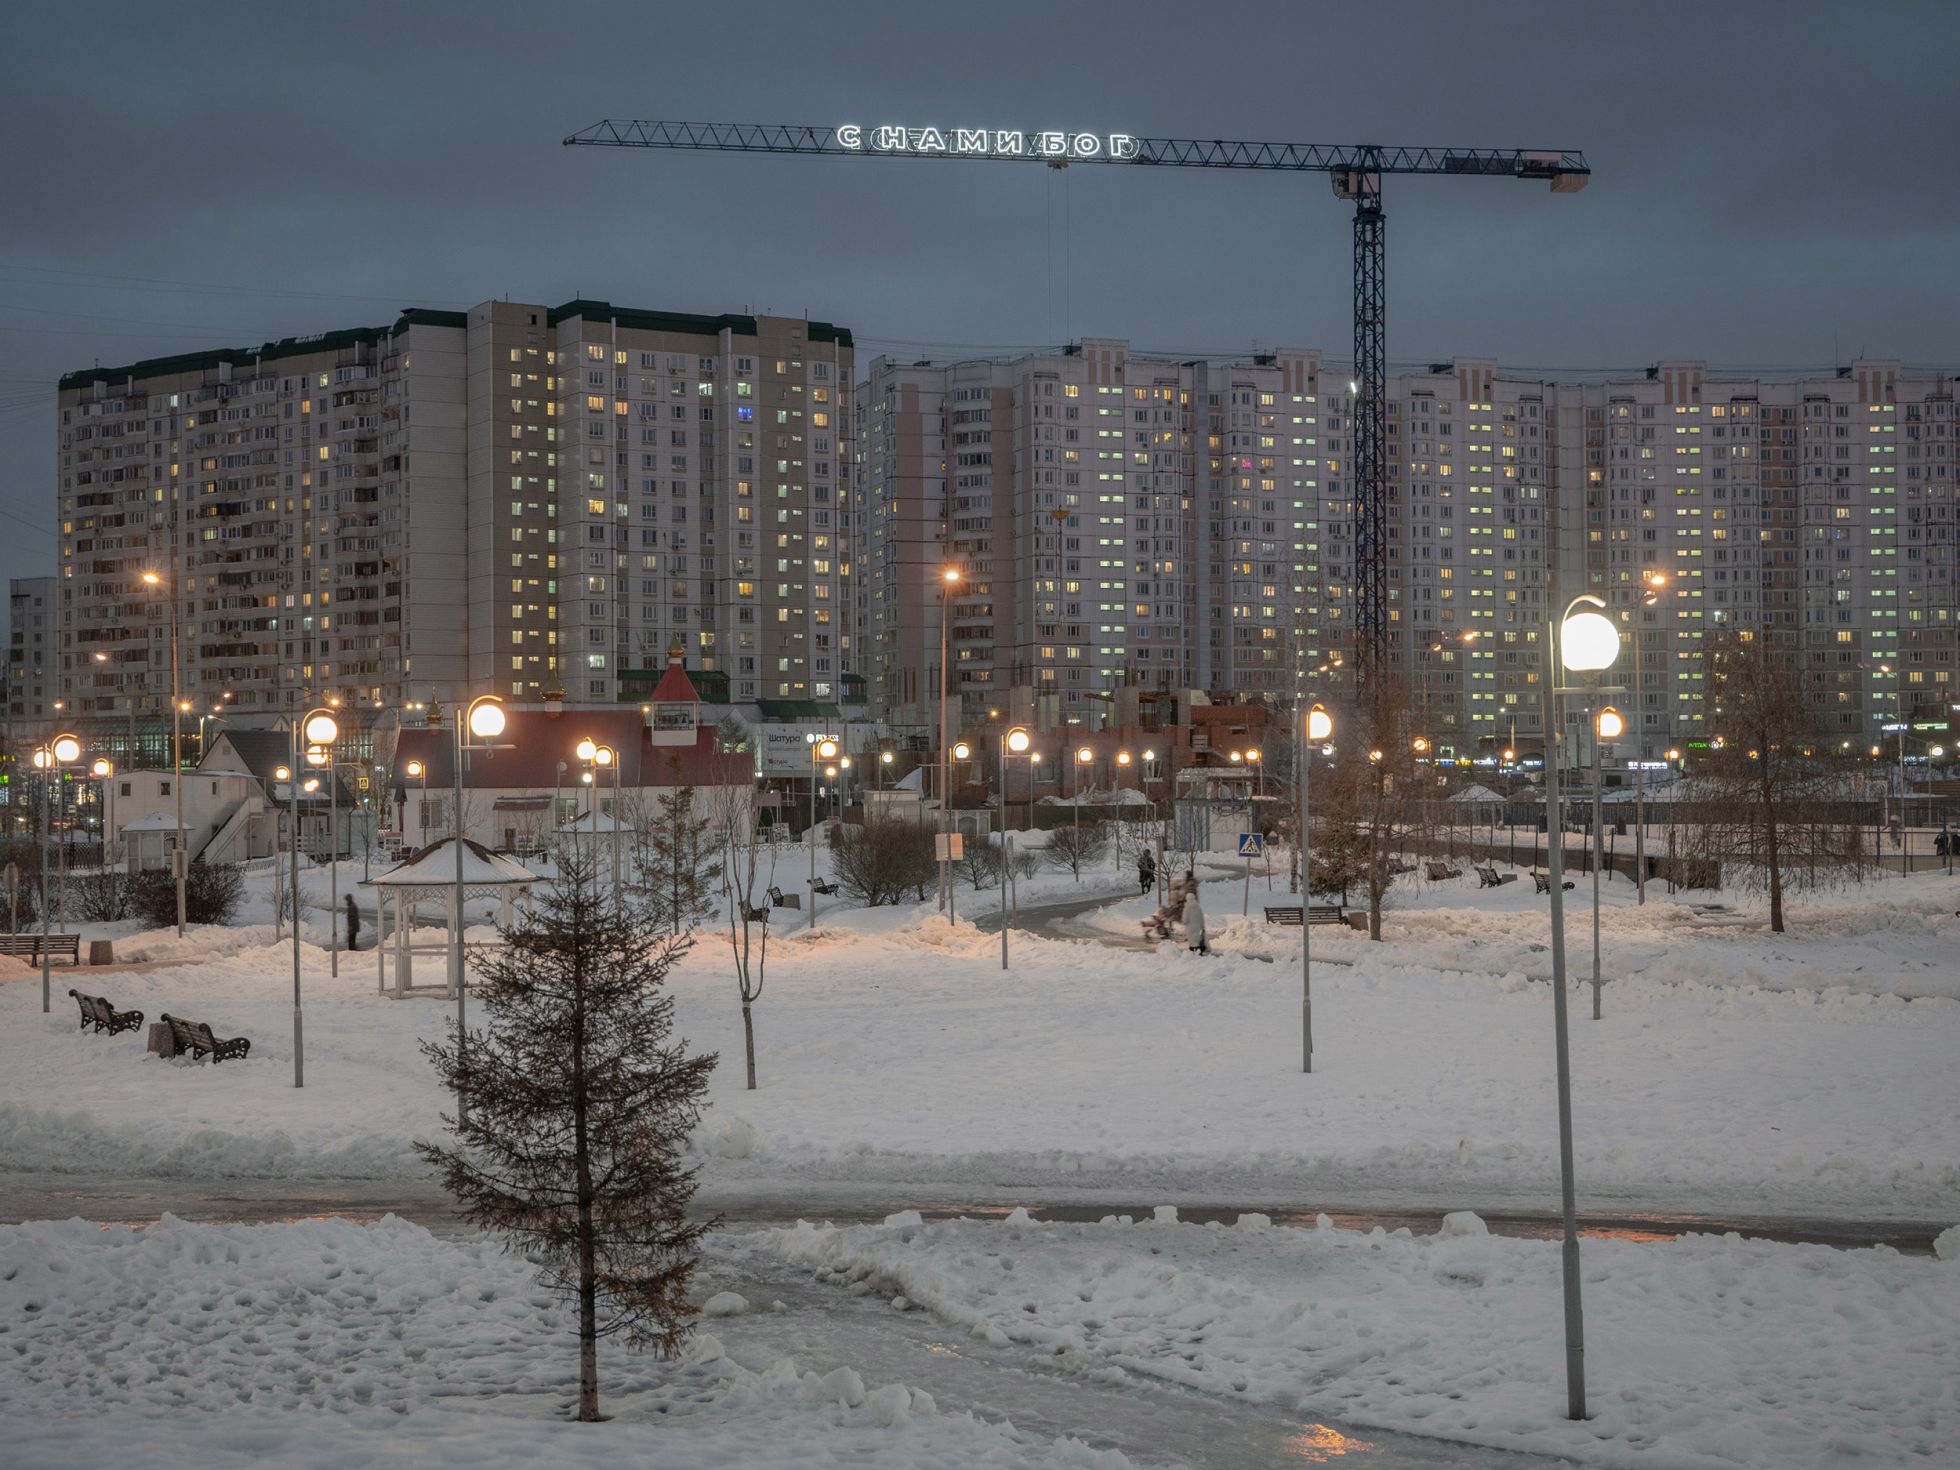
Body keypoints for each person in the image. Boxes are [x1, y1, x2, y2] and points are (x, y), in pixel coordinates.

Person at [1183, 884, 1209, 956]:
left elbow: (1185, 920)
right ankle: (1198, 952)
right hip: (1197, 927)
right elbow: (1201, 917)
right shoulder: (1198, 907)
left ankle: (1192, 954)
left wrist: (1184, 922)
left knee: (1192, 942)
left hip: (1190, 928)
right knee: (1196, 940)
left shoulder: (1187, 908)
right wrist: (1202, 926)